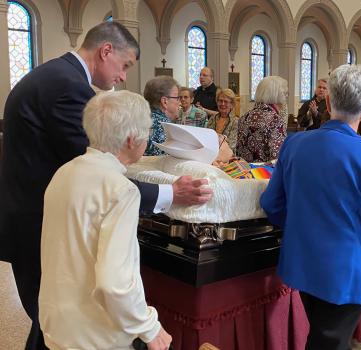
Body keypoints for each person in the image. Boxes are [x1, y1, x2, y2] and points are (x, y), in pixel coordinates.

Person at [0, 22, 212, 350]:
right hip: (37, 226)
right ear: (106, 51)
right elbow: (101, 173)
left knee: (50, 321)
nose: (124, 76)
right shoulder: (68, 86)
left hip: (33, 220)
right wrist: (148, 327)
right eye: (125, 65)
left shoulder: (53, 76)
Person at [261, 64, 361, 350]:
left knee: (328, 337)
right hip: (345, 271)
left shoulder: (294, 143)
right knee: (329, 341)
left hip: (302, 263)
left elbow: (271, 203)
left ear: (327, 101)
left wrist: (304, 223)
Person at [39, 90, 172, 350]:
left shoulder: (63, 173)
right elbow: (115, 284)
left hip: (57, 323)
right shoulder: (120, 189)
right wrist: (149, 327)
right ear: (132, 139)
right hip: (95, 333)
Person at [237, 76, 288, 162]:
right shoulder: (275, 120)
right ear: (277, 95)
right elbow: (277, 156)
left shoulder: (245, 117)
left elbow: (239, 149)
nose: (286, 97)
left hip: (245, 171)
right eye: (285, 93)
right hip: (264, 173)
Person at [143, 76, 181, 156]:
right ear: (165, 102)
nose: (180, 103)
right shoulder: (166, 128)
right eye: (177, 98)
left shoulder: (139, 119)